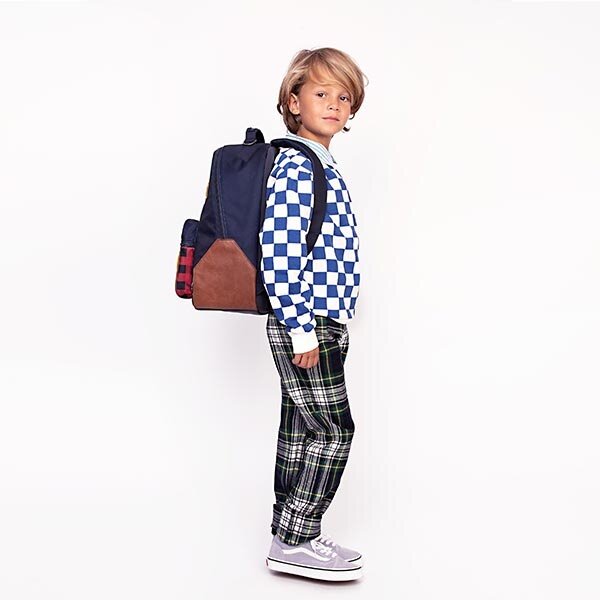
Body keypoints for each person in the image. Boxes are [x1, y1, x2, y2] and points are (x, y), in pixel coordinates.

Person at [259, 47, 368, 582]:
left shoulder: (321, 165)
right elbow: (279, 253)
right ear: (293, 100)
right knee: (333, 430)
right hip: (307, 320)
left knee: (301, 429)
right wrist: (302, 328)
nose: (333, 104)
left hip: (322, 319)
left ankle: (288, 534)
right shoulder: (299, 166)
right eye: (320, 93)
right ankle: (297, 539)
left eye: (343, 96)